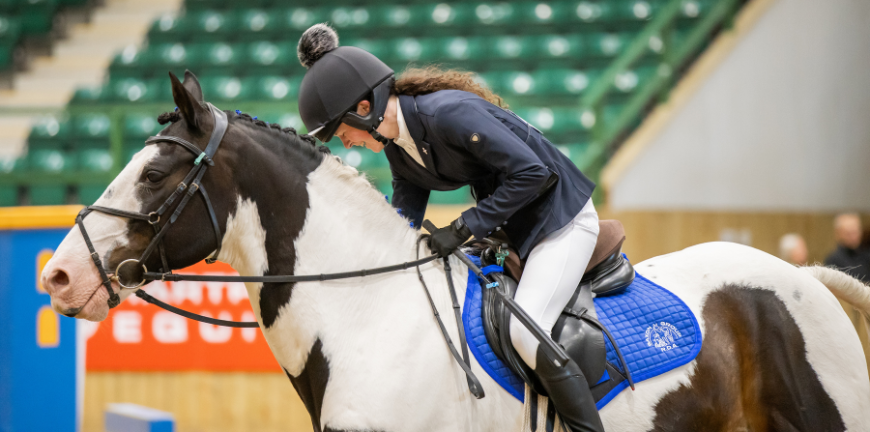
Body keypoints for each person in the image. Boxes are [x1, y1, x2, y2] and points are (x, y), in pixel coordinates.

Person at [296, 24, 604, 432]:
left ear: (364, 108)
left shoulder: (448, 113)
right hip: (516, 233)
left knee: (527, 332)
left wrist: (461, 229)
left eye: (341, 132)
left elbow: (534, 173)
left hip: (562, 222)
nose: (345, 143)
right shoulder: (400, 149)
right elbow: (401, 218)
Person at [824, 213, 870, 282]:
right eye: (848, 233)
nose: (853, 237)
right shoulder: (833, 261)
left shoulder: (867, 256)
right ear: (838, 234)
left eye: (855, 232)